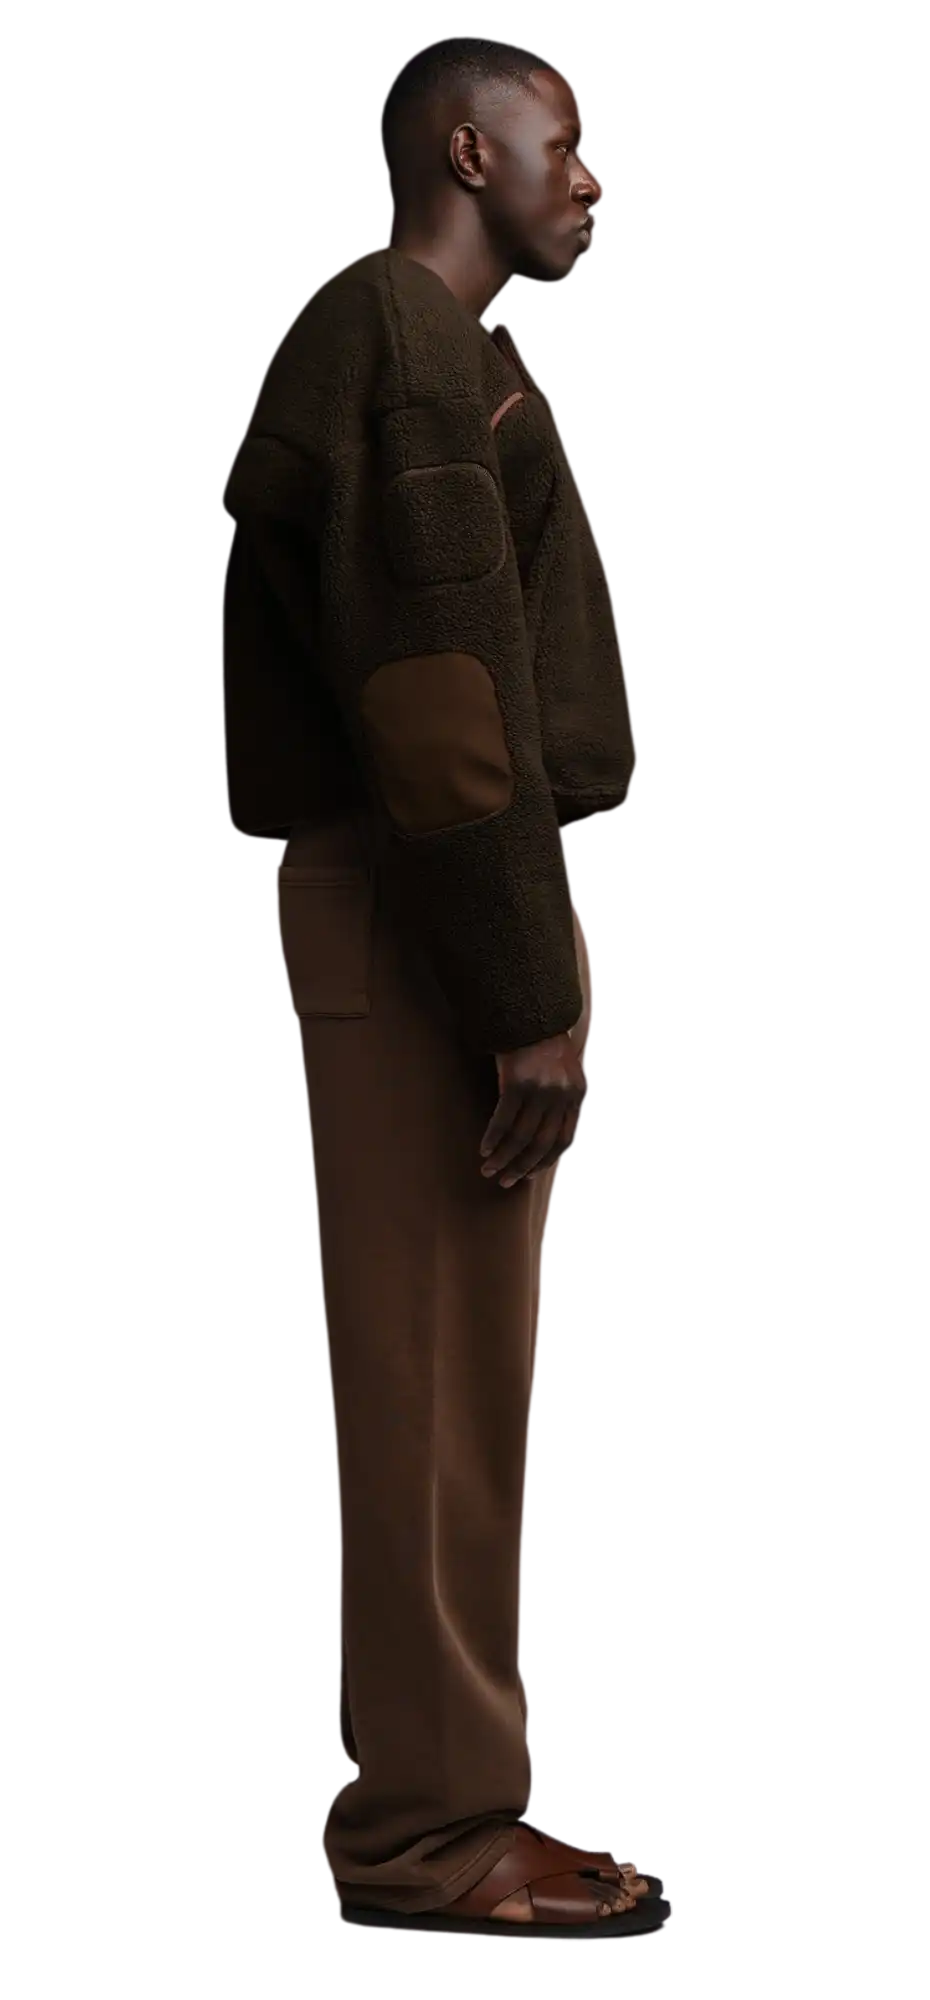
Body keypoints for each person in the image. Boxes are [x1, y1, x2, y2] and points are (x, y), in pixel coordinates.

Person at [218, 32, 670, 1941]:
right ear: (468, 154)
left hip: (431, 899)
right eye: (563, 145)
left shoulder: (419, 344)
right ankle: (429, 1834)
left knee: (449, 1392)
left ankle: (439, 1801)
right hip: (427, 911)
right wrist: (519, 990)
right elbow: (435, 696)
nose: (593, 181)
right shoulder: (400, 343)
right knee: (428, 1397)